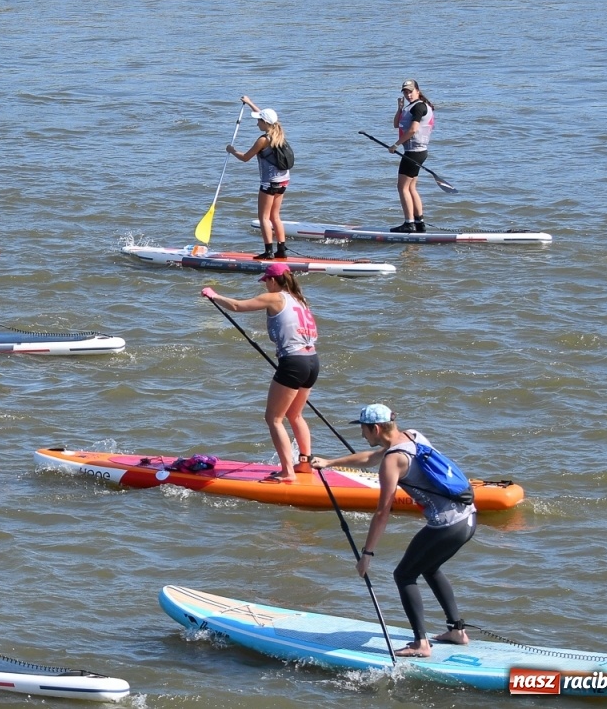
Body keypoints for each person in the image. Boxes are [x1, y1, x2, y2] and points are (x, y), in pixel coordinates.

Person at [311, 405, 475, 659]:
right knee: (429, 568)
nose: (363, 435)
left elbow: (382, 513)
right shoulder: (412, 436)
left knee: (404, 575)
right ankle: (457, 631)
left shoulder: (393, 461)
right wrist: (329, 463)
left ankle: (421, 643)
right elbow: (369, 458)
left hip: (447, 525)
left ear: (375, 428)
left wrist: (367, 554)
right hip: (468, 517)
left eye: (364, 429)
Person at [201, 261, 317, 484]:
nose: (266, 286)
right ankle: (304, 463)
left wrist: (214, 295)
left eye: (266, 282)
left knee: (273, 418)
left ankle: (287, 472)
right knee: (295, 415)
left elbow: (237, 306)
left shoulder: (276, 297)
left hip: (293, 363)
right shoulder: (300, 301)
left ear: (273, 280)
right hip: (312, 361)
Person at [227, 95, 289, 259]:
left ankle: (268, 252)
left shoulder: (263, 140)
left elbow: (245, 158)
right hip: (284, 180)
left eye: (259, 121)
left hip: (269, 183)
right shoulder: (279, 133)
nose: (257, 123)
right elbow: (263, 115)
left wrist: (232, 151)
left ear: (265, 123)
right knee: (275, 216)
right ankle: (281, 250)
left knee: (263, 217)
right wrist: (249, 103)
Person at [392, 80, 435, 233]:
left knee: (402, 187)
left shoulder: (419, 107)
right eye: (405, 92)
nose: (408, 94)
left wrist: (396, 145)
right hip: (418, 152)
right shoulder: (412, 107)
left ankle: (409, 223)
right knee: (411, 187)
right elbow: (396, 124)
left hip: (413, 152)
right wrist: (399, 108)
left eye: (410, 91)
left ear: (417, 90)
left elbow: (412, 130)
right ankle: (419, 223)